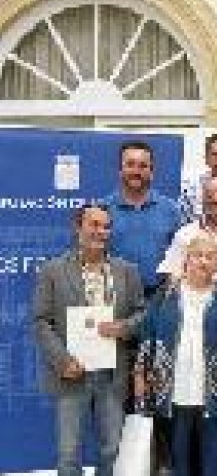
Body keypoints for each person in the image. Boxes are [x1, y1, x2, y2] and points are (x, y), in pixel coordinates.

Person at [33, 204, 146, 476]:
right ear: (78, 227)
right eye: (94, 224)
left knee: (111, 449)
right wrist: (62, 361)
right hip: (71, 374)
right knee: (69, 452)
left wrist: (124, 327)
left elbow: (143, 313)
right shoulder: (53, 271)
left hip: (112, 374)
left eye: (106, 226)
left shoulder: (127, 271)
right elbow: (41, 321)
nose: (101, 231)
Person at [134, 235, 217, 476]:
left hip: (213, 391)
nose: (203, 262)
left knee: (214, 461)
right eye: (197, 255)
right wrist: (140, 376)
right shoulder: (165, 295)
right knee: (178, 462)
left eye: (210, 257)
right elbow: (147, 336)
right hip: (172, 390)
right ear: (186, 260)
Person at [103, 139, 184, 294]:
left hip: (159, 299)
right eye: (130, 164)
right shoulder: (102, 209)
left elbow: (180, 256)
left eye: (143, 166)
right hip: (114, 299)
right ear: (120, 170)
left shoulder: (171, 210)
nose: (136, 171)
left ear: (151, 172)